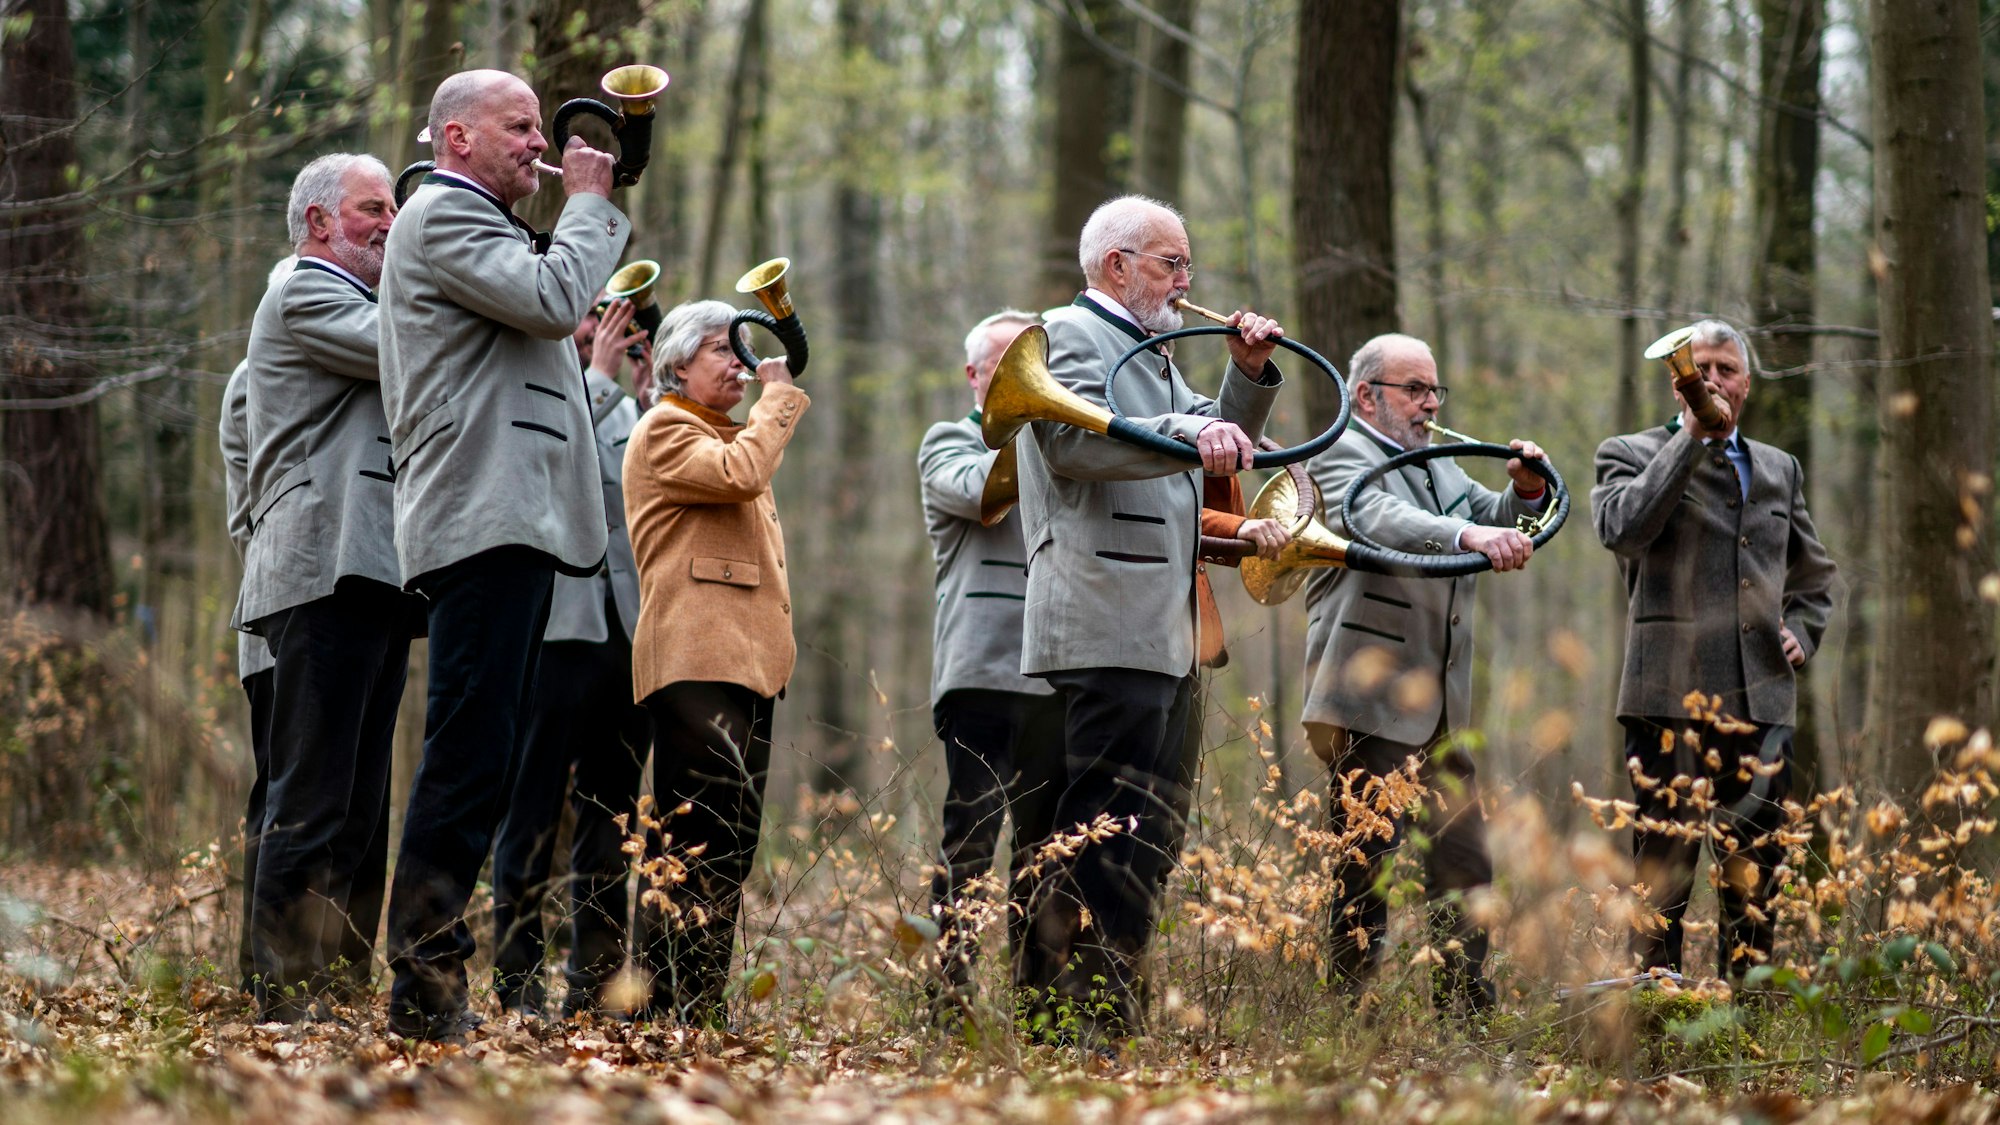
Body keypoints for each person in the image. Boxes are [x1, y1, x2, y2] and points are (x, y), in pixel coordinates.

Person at [377, 69, 629, 1040]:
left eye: (538, 128)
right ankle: (424, 989)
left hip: (508, 522)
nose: (538, 143)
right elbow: (555, 292)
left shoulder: (474, 224)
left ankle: (433, 981)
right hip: (482, 519)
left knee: (476, 758)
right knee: (466, 762)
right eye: (517, 127)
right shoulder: (442, 218)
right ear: (455, 140)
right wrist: (592, 208)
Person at [1011, 194, 1285, 1042]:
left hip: (1164, 633)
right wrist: (1185, 424)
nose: (1185, 280)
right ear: (1117, 265)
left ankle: (1108, 1015)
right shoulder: (1068, 333)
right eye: (1172, 263)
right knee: (1097, 828)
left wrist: (1244, 373)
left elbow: (1216, 445)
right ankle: (1068, 1022)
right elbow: (1074, 442)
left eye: (1187, 264)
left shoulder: (1155, 347)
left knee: (1149, 837)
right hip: (1102, 621)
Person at [1298, 333, 1546, 1014]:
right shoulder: (1340, 450)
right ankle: (1344, 1020)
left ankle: (1467, 1018)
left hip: (1440, 711)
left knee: (1466, 863)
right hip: (1365, 701)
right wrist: (1468, 536)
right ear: (1366, 396)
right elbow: (1378, 516)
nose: (1429, 403)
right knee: (1365, 870)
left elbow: (1493, 516)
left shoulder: (1438, 465)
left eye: (1435, 390)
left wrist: (1523, 490)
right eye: (1415, 389)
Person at [1591, 318, 1835, 981]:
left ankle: (1746, 1026)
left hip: (1763, 703)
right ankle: (1656, 1023)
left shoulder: (1780, 466)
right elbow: (1622, 529)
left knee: (1756, 887)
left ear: (1747, 383)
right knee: (1661, 878)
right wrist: (1689, 444)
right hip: (1665, 698)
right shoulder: (1629, 451)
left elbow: (1814, 576)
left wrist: (1803, 629)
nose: (1714, 380)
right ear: (1679, 380)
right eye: (1701, 368)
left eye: (1727, 369)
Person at [235, 158, 414, 1022]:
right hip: (321, 568)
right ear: (317, 224)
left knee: (362, 810)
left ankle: (338, 989)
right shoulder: (304, 293)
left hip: (376, 570)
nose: (393, 220)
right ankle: (279, 996)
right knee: (307, 800)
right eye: (373, 208)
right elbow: (406, 350)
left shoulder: (359, 296)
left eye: (396, 206)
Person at [623, 300, 801, 1027]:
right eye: (723, 351)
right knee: (688, 839)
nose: (740, 363)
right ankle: (655, 1006)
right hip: (696, 662)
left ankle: (695, 1006)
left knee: (729, 845)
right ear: (676, 363)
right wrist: (779, 397)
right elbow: (742, 473)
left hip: (742, 666)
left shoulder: (719, 430)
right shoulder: (667, 427)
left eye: (742, 350)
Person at [489, 294, 653, 1018]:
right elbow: (548, 458)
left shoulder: (629, 403)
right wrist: (601, 373)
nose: (606, 327)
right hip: (557, 629)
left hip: (626, 632)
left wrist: (648, 402)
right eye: (593, 314)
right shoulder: (552, 379)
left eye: (619, 316)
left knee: (612, 818)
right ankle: (517, 979)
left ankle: (595, 983)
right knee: (530, 806)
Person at [918, 309, 1066, 1004]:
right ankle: (949, 998)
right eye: (1007, 367)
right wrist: (1036, 419)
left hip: (1054, 671)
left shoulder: (1059, 444)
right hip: (981, 674)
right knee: (971, 844)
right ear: (975, 376)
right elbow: (984, 493)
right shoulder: (947, 440)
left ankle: (1036, 1004)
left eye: (1031, 365)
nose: (1021, 380)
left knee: (1044, 854)